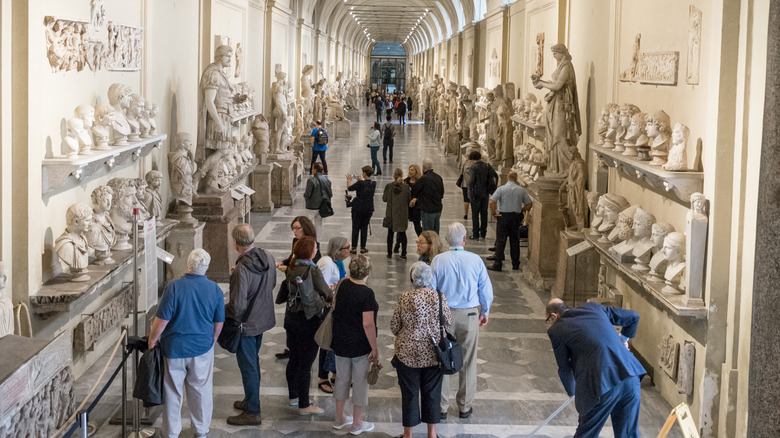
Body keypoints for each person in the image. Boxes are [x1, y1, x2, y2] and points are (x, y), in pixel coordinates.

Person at [148, 249, 225, 437]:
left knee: (172, 393)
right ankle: (200, 430)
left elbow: (162, 320)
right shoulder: (214, 289)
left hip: (174, 348)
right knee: (200, 391)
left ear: (187, 265)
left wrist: (152, 339)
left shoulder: (174, 287)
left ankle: (171, 433)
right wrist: (212, 339)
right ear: (206, 267)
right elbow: (219, 322)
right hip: (201, 347)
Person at [545, 299, 647, 437]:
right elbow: (633, 317)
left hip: (601, 384)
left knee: (587, 433)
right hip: (630, 375)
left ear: (553, 316)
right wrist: (623, 340)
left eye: (548, 320)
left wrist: (572, 391)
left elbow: (564, 368)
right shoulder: (594, 308)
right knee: (628, 434)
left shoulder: (556, 330)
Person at [431, 222, 493, 420]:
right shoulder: (475, 260)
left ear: (448, 240)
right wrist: (485, 310)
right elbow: (485, 288)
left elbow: (431, 290)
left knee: (442, 358)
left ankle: (441, 407)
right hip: (469, 315)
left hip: (444, 315)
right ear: (464, 239)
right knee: (468, 360)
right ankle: (465, 407)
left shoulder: (438, 260)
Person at [224, 224, 277, 426]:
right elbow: (270, 284)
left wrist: (221, 310)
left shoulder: (242, 268)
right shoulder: (267, 256)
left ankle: (253, 411)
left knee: (249, 367)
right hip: (262, 318)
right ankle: (250, 399)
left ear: (236, 243)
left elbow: (237, 307)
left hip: (246, 325)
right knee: (253, 363)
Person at [391, 262, 451, 438]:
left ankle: (408, 435)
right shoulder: (439, 297)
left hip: (407, 354)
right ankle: (432, 434)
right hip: (433, 353)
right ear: (430, 279)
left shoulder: (405, 298)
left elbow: (394, 326)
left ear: (412, 279)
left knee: (409, 394)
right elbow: (447, 321)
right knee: (432, 393)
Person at [283, 236, 332, 415]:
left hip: (291, 318)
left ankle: (294, 397)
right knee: (306, 363)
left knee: (294, 359)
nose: (316, 251)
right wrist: (331, 298)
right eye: (315, 248)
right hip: (308, 319)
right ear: (310, 252)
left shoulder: (292, 266)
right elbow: (326, 291)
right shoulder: (311, 269)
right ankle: (305, 405)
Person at [331, 254, 379, 435]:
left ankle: (339, 417)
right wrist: (374, 348)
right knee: (360, 383)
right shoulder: (367, 293)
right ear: (368, 271)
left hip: (340, 341)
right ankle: (357, 423)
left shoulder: (343, 284)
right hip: (359, 345)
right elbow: (368, 324)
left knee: (341, 379)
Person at [531, 43, 581, 175]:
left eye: (555, 54)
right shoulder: (561, 65)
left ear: (562, 52)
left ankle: (569, 169)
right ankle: (556, 168)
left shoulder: (567, 66)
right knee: (553, 135)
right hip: (555, 104)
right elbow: (555, 83)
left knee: (559, 136)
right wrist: (541, 81)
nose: (554, 57)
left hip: (562, 105)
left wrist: (542, 84)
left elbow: (558, 85)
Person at [275, 216, 321, 360]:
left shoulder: (312, 245)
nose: (295, 232)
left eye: (297, 228)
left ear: (306, 228)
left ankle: (297, 348)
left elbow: (307, 268)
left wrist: (288, 269)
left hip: (304, 288)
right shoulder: (296, 242)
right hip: (293, 287)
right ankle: (291, 347)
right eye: (293, 228)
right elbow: (293, 258)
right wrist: (282, 262)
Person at [315, 236, 352, 393]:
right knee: (327, 341)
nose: (350, 250)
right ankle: (323, 377)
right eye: (347, 247)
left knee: (337, 341)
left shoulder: (338, 263)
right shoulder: (326, 263)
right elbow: (319, 285)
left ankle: (336, 373)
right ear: (338, 250)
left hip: (337, 305)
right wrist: (337, 286)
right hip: (327, 307)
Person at [487, 170, 533, 271]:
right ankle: (515, 264)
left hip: (503, 217)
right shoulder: (521, 190)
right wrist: (522, 210)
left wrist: (494, 213)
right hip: (515, 217)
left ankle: (498, 264)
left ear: (508, 178)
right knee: (515, 241)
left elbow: (492, 202)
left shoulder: (501, 189)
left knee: (501, 240)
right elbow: (529, 204)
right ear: (516, 179)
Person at [467, 151, 498, 240]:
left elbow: (471, 181)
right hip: (485, 193)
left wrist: (470, 194)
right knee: (484, 213)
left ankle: (475, 234)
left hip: (476, 193)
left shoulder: (473, 167)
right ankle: (483, 233)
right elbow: (495, 176)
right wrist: (492, 188)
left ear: (473, 159)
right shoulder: (487, 166)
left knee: (475, 214)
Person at [347, 166, 376, 254]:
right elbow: (365, 185)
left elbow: (349, 188)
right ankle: (363, 247)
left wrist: (349, 180)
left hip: (358, 208)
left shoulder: (359, 183)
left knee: (355, 227)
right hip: (368, 208)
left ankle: (354, 247)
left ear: (364, 173)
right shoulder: (373, 183)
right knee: (364, 227)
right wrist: (361, 180)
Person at [383, 168, 412, 259]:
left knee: (390, 234)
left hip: (391, 213)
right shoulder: (406, 187)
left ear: (393, 175)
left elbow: (384, 199)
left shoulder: (389, 186)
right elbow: (409, 200)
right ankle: (403, 253)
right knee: (403, 233)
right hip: (402, 214)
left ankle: (389, 253)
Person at [410, 158, 444, 234]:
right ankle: (435, 245)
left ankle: (429, 245)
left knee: (427, 233)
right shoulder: (439, 177)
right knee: (435, 232)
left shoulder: (423, 179)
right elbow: (442, 194)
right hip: (438, 209)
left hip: (427, 210)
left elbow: (414, 191)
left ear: (423, 168)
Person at [303, 162, 332, 237]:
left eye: (312, 168)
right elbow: (330, 194)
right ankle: (318, 243)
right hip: (322, 206)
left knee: (307, 225)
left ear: (315, 170)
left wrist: (305, 197)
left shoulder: (311, 180)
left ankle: (309, 241)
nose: (311, 170)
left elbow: (307, 194)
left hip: (311, 206)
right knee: (319, 225)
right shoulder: (327, 180)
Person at [404, 164, 423, 236]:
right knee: (402, 228)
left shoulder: (420, 182)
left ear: (416, 171)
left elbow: (422, 194)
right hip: (406, 207)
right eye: (409, 170)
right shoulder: (406, 181)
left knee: (417, 226)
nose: (410, 171)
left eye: (412, 170)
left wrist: (416, 199)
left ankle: (422, 239)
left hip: (416, 208)